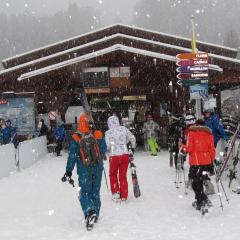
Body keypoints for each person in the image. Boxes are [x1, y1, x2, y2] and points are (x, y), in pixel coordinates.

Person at [63, 114, 106, 231]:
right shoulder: (97, 134)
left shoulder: (76, 137)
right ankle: (95, 214)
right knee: (95, 191)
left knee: (84, 193)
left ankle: (89, 211)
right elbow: (103, 149)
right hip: (97, 168)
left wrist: (68, 171)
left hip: (84, 169)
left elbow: (72, 156)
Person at [181, 119, 215, 211]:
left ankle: (201, 200)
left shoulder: (191, 133)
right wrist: (212, 161)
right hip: (206, 161)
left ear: (196, 124)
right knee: (200, 180)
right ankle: (202, 199)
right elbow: (212, 149)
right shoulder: (209, 135)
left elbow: (189, 148)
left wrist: (182, 148)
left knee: (195, 182)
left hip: (196, 162)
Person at [105, 115, 136, 202]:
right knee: (123, 176)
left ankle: (116, 192)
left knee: (113, 174)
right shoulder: (124, 129)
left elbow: (107, 146)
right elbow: (132, 138)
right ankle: (124, 195)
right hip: (124, 155)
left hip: (113, 156)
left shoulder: (108, 133)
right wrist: (132, 147)